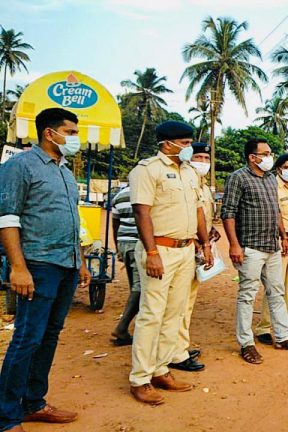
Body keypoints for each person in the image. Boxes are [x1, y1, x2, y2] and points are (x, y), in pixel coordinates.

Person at [0, 108, 91, 430]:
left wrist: (79, 261)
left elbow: (72, 219)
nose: (75, 139)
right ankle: (7, 415)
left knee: (50, 335)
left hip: (65, 264)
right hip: (38, 265)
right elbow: (7, 218)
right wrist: (18, 268)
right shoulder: (19, 166)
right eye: (70, 132)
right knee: (27, 337)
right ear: (50, 133)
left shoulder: (65, 171)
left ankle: (34, 402)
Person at [127, 120, 213, 405]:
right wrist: (152, 253)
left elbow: (199, 210)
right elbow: (142, 213)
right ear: (168, 144)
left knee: (174, 313)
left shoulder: (189, 173)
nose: (190, 149)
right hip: (160, 250)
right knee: (152, 314)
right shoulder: (147, 170)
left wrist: (204, 244)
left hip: (186, 249)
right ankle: (140, 378)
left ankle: (161, 370)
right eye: (186, 144)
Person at [221, 138, 288, 365]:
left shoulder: (271, 179)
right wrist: (234, 244)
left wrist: (282, 236)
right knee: (247, 295)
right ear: (253, 157)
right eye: (266, 153)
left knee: (276, 292)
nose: (270, 157)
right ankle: (246, 343)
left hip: (272, 246)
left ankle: (282, 337)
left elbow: (276, 211)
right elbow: (228, 213)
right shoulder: (238, 178)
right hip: (250, 247)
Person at [167, 142, 216, 372]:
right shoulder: (184, 182)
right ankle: (175, 353)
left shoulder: (203, 186)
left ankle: (180, 346)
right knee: (178, 303)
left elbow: (203, 215)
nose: (203, 162)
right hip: (185, 247)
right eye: (199, 157)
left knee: (188, 301)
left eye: (207, 158)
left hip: (199, 249)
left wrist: (208, 234)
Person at [253, 153, 288, 342]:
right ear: (278, 169)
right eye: (287, 167)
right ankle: (265, 328)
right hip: (280, 240)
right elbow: (274, 213)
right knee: (275, 285)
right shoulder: (272, 185)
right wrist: (283, 237)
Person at [110, 185, 141, 346]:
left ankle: (125, 328)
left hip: (124, 244)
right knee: (140, 288)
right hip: (139, 244)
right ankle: (122, 327)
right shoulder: (144, 193)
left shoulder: (119, 196)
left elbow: (115, 224)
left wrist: (118, 248)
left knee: (134, 287)